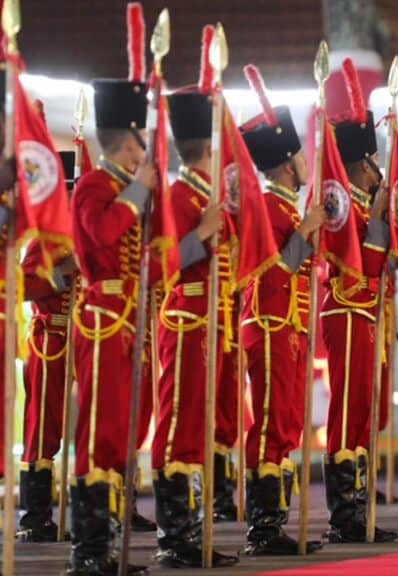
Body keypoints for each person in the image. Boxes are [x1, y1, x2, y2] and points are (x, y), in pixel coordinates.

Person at [148, 85, 239, 568]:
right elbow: (162, 264)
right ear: (208, 147)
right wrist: (202, 233)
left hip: (215, 322)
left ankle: (194, 531)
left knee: (206, 427)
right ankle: (174, 537)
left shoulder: (210, 195)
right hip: (186, 319)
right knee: (180, 422)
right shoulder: (178, 196)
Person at [68, 77, 156, 575]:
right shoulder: (95, 187)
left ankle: (107, 543)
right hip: (103, 320)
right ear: (128, 143)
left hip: (131, 322)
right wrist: (139, 189)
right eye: (139, 142)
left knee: (122, 432)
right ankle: (89, 551)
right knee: (99, 433)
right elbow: (102, 238)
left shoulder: (124, 187)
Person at [239, 69, 326, 555]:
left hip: (286, 328)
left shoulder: (286, 209)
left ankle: (276, 522)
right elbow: (279, 271)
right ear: (287, 165)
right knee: (271, 423)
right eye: (300, 156)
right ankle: (264, 529)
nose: (305, 161)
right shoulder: (270, 209)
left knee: (288, 422)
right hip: (269, 324)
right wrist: (308, 230)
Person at [319, 62, 398, 542]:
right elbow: (356, 265)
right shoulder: (339, 203)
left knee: (365, 412)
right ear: (361, 164)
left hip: (365, 311)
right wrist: (374, 219)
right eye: (373, 164)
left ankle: (358, 511)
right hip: (346, 308)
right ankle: (342, 516)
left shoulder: (359, 201)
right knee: (347, 411)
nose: (378, 172)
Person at [18, 152, 78, 543]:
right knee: (43, 427)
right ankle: (34, 515)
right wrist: (65, 271)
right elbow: (27, 284)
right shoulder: (46, 237)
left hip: (83, 337)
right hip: (51, 338)